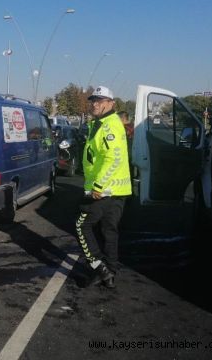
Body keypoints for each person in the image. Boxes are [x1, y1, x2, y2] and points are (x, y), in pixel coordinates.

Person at [75, 86, 132, 288]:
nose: (94, 104)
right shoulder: (100, 124)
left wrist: (98, 185)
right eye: (93, 100)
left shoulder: (109, 126)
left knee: (82, 226)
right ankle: (110, 273)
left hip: (104, 190)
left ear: (110, 103)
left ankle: (99, 267)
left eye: (99, 101)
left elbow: (113, 159)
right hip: (117, 189)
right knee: (109, 230)